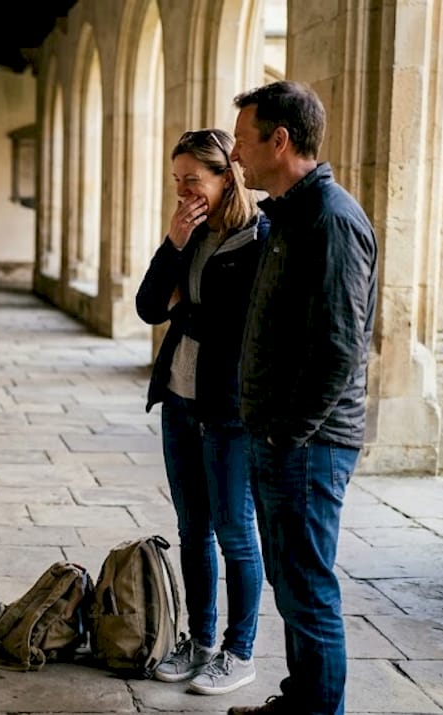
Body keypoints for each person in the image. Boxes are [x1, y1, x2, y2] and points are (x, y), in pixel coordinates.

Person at [226, 81, 378, 715]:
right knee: (289, 583)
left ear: (279, 141)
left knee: (308, 588)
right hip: (281, 437)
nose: (235, 156)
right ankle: (302, 699)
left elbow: (341, 349)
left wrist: (286, 432)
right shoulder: (288, 214)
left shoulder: (331, 218)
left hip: (308, 445)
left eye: (241, 140)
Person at [136, 128, 268, 697]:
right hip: (181, 399)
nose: (184, 190)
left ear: (225, 176)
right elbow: (147, 308)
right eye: (177, 180)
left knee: (234, 531)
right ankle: (201, 640)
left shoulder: (260, 237)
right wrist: (173, 243)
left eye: (194, 178)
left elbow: (254, 328)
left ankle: (240, 652)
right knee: (192, 530)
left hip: (230, 407)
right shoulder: (190, 235)